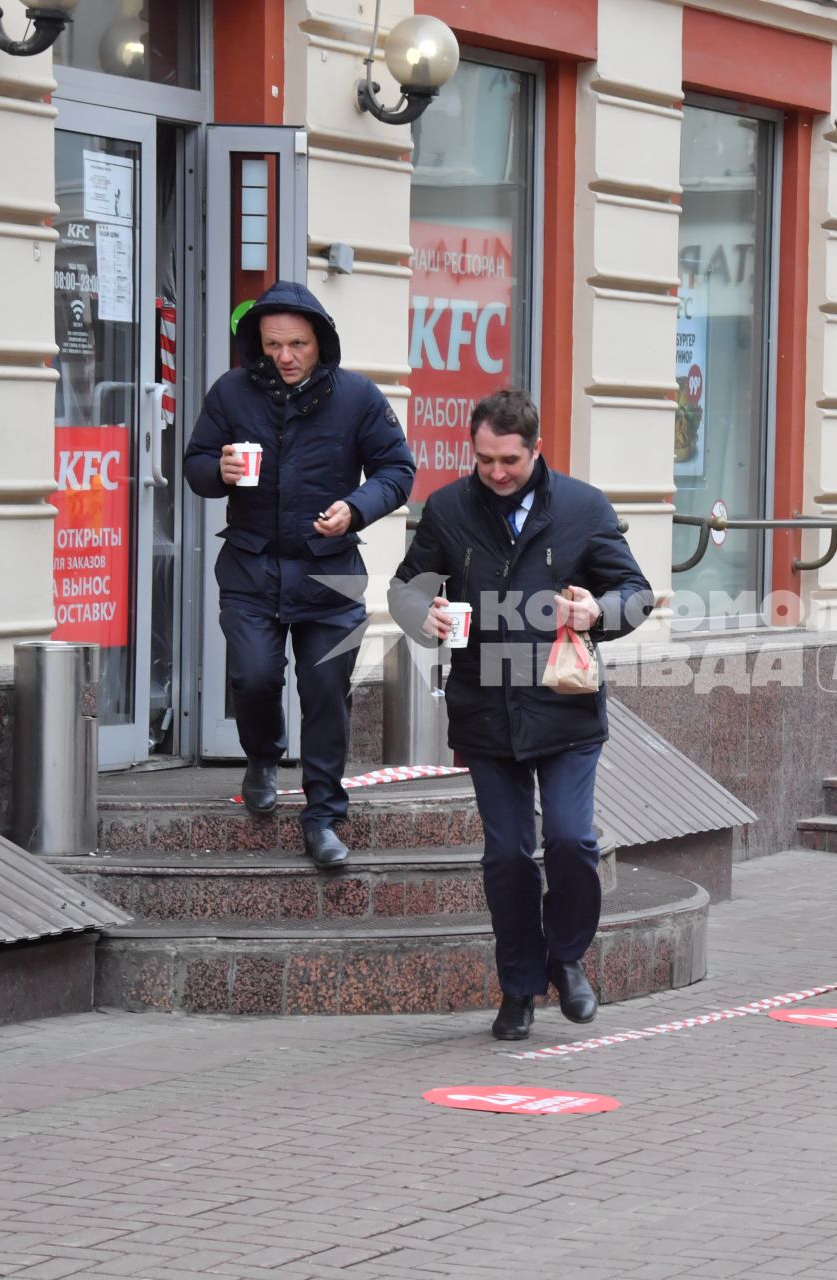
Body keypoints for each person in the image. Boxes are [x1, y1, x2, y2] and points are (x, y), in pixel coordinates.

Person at [389, 388, 653, 1040]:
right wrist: (423, 614)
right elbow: (404, 587)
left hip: (565, 707)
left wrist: (599, 613)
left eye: (509, 460)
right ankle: (518, 988)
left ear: (536, 450)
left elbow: (637, 594)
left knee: (570, 841)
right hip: (484, 710)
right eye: (485, 461)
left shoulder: (585, 509)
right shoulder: (448, 509)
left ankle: (566, 957)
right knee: (507, 856)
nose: (497, 473)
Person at [183, 281, 416, 869]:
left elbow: (397, 469)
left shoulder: (358, 397)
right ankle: (262, 756)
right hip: (251, 564)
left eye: (297, 344)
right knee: (255, 677)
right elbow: (194, 464)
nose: (285, 357)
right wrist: (221, 470)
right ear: (257, 343)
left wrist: (355, 508)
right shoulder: (231, 393)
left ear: (321, 342)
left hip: (330, 574)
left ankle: (323, 817)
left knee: (325, 695)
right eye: (273, 345)